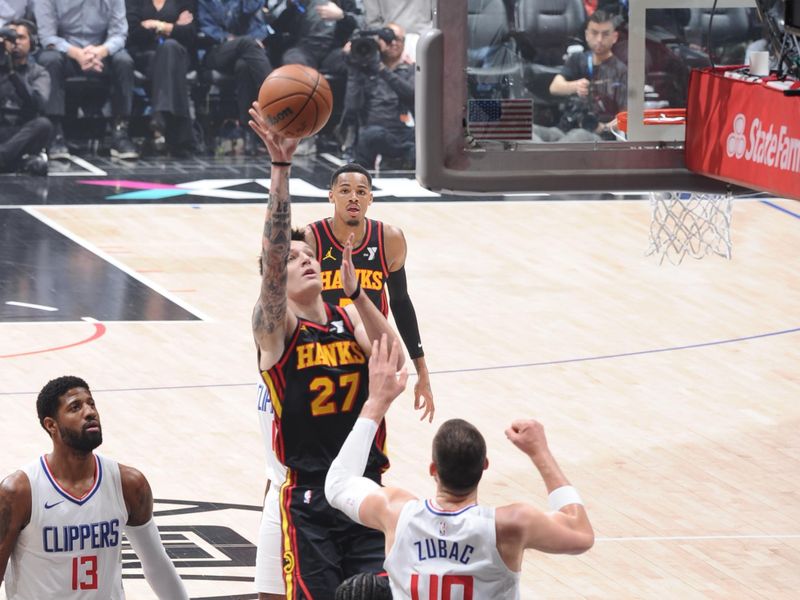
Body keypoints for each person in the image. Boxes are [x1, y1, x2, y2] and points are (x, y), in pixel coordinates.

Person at [248, 101, 406, 599]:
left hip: (364, 487)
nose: (304, 260)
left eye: (309, 254)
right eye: (293, 259)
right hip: (310, 497)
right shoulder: (275, 332)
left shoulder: (349, 317)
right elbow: (274, 257)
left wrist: (359, 293)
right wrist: (281, 169)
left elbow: (392, 359)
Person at [326, 335, 595, 599]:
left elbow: (337, 483)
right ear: (484, 467)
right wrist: (540, 452)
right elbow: (581, 535)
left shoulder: (396, 513)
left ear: (433, 470)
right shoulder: (510, 524)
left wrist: (376, 404)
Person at [0, 376, 189, 599]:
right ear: (51, 425)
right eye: (75, 407)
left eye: (91, 403)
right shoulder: (19, 492)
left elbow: (156, 564)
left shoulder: (130, 484)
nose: (90, 412)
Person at [305, 162, 434, 421]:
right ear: (331, 195)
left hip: (369, 357)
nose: (353, 197)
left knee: (362, 442)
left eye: (361, 192)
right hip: (321, 354)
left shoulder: (390, 240)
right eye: (345, 190)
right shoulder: (311, 239)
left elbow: (401, 303)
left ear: (371, 198)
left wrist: (422, 370)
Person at [34, 0, 139, 159]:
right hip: (66, 52)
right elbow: (47, 37)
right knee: (49, 60)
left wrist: (100, 52)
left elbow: (119, 34)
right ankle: (55, 133)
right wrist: (77, 54)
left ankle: (120, 131)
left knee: (124, 62)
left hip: (100, 52)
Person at [197, 0, 273, 155]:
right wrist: (228, 38)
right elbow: (206, 27)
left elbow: (257, 21)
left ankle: (249, 131)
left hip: (246, 53)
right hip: (216, 51)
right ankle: (275, 95)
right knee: (247, 43)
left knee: (244, 66)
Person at [126, 0, 196, 156]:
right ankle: (178, 134)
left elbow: (190, 33)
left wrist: (155, 24)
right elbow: (133, 32)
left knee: (169, 47)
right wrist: (172, 26)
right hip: (145, 58)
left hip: (178, 56)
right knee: (167, 52)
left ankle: (159, 118)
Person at [341, 22, 415, 169]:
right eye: (388, 39)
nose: (393, 43)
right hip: (372, 133)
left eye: (398, 39)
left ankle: (394, 161)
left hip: (402, 134)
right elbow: (352, 107)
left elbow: (412, 94)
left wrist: (381, 69)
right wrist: (353, 68)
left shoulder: (411, 68)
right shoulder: (365, 69)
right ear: (377, 42)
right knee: (371, 134)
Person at [549, 9, 627, 141]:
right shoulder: (576, 59)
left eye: (605, 34)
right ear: (586, 35)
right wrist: (575, 86)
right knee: (532, 132)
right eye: (594, 33)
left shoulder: (622, 71)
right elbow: (554, 87)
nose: (599, 39)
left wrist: (604, 128)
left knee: (578, 136)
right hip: (565, 128)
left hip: (598, 136)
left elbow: (626, 116)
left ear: (615, 37)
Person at [0, 19, 51, 175]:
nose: (15, 42)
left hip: (21, 131)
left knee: (43, 124)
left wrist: (12, 73)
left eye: (20, 37)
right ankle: (15, 163)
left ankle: (4, 159)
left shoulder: (39, 72)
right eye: (10, 38)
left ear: (32, 43)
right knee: (36, 166)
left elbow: (38, 104)